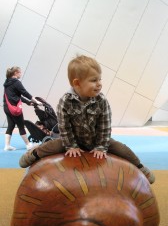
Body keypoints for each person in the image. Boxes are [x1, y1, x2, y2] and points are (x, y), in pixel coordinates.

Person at [19, 55, 155, 184]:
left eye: (100, 79)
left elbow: (105, 126)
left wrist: (101, 146)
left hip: (96, 139)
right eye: (94, 80)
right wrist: (71, 146)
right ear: (77, 83)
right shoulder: (65, 101)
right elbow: (64, 126)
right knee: (51, 146)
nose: (99, 84)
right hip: (73, 139)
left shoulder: (101, 101)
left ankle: (140, 166)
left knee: (122, 148)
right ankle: (33, 154)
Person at [3, 66, 41, 151]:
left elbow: (17, 96)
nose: (21, 74)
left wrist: (28, 102)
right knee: (21, 126)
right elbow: (25, 93)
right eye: (20, 72)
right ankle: (28, 145)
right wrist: (36, 101)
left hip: (7, 107)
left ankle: (7, 146)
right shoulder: (16, 82)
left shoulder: (7, 82)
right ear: (16, 73)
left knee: (11, 125)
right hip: (14, 109)